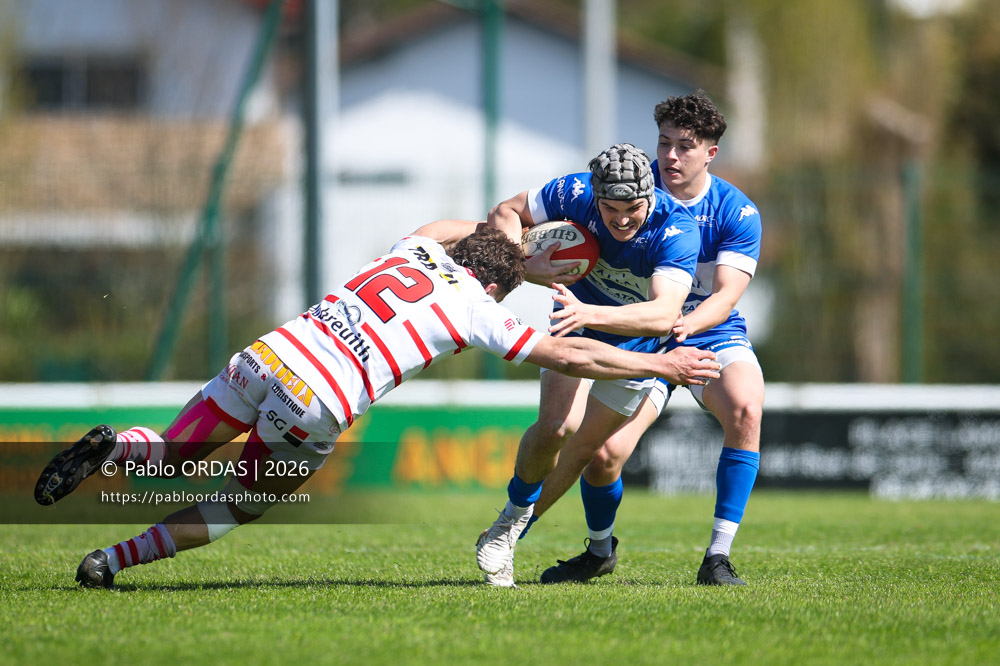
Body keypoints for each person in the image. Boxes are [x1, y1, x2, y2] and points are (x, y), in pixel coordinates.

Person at [35, 221, 720, 590]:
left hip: (271, 353)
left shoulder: (415, 244)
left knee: (173, 456)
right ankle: (110, 562)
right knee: (233, 505)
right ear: (497, 283)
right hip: (316, 401)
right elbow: (572, 355)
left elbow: (462, 230)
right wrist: (661, 361)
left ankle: (117, 449)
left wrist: (511, 243)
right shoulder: (477, 310)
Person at [527, 90, 765, 586]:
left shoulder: (735, 212)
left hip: (701, 329)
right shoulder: (625, 188)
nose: (671, 156)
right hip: (632, 327)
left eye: (685, 146)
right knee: (603, 456)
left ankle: (717, 557)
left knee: (745, 407)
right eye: (664, 144)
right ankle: (598, 550)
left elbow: (725, 297)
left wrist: (683, 325)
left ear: (710, 153)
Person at [475, 142, 704, 587]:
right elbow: (506, 210)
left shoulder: (677, 228)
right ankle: (507, 526)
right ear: (593, 196)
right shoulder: (572, 193)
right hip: (574, 324)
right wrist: (517, 262)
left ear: (651, 196)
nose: (621, 220)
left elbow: (662, 314)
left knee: (594, 454)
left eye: (633, 209)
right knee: (558, 427)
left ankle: (576, 547)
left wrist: (590, 312)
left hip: (636, 346)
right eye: (611, 208)